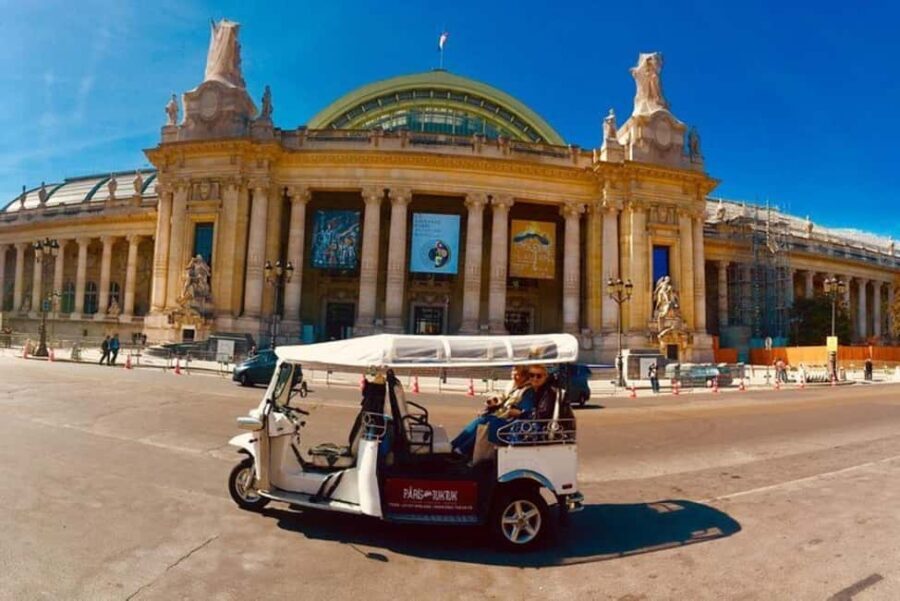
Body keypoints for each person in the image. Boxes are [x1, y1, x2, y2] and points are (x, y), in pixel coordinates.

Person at [451, 366, 534, 457]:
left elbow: (523, 411)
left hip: (510, 420)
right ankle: (454, 444)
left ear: (525, 377)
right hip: (500, 414)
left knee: (488, 424)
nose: (514, 378)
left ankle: (463, 450)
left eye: (517, 375)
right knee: (480, 420)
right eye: (512, 375)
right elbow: (503, 396)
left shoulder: (528, 391)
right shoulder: (512, 384)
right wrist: (494, 400)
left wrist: (511, 411)